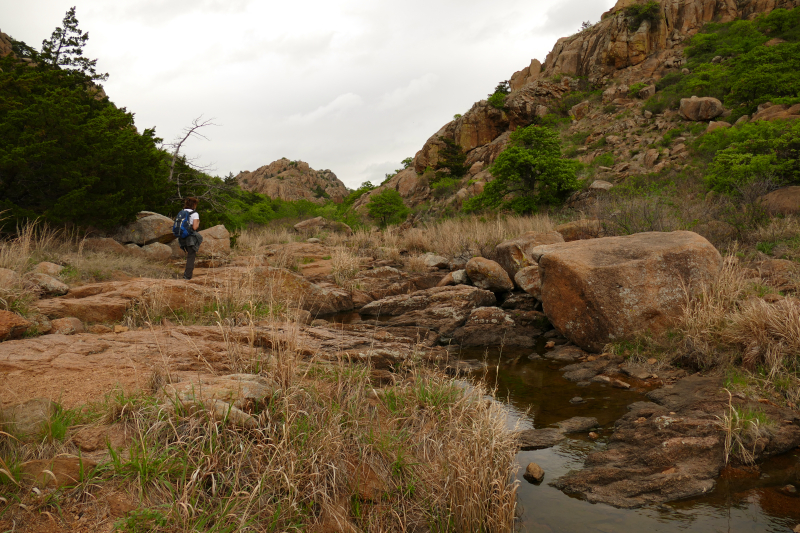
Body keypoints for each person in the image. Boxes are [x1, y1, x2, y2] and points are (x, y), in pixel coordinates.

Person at [178, 197, 203, 280]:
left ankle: (185, 274)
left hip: (181, 236)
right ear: (194, 204)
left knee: (188, 255)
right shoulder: (195, 214)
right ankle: (187, 276)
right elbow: (195, 227)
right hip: (190, 237)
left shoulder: (181, 212)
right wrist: (198, 223)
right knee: (191, 256)